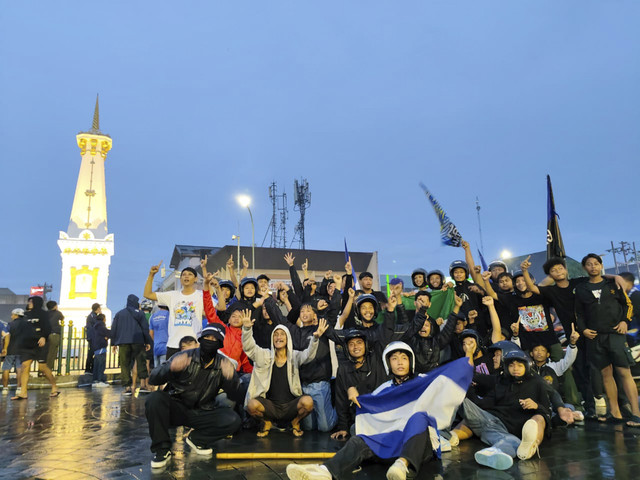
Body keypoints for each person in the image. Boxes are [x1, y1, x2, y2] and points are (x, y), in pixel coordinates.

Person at [286, 341, 456, 480]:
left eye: (404, 358)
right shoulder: (383, 389)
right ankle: (324, 472)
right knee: (358, 440)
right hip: (391, 443)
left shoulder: (423, 381)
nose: (399, 362)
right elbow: (370, 414)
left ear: (410, 361)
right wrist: (355, 397)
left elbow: (445, 393)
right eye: (394, 358)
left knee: (419, 417)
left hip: (419, 447)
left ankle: (402, 465)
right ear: (388, 364)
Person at [145, 324, 244, 468]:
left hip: (203, 411)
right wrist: (170, 368)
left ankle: (197, 439)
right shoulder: (183, 356)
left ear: (220, 343)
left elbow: (238, 397)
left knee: (233, 420)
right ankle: (162, 450)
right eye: (206, 337)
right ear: (200, 339)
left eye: (214, 339)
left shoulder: (223, 364)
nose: (209, 341)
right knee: (154, 399)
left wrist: (231, 380)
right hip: (177, 407)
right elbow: (153, 379)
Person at [574, 253, 640, 426]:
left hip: (615, 334)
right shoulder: (581, 289)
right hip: (595, 337)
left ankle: (636, 414)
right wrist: (584, 329)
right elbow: (579, 314)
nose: (593, 267)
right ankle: (615, 413)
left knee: (624, 372)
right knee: (606, 374)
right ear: (584, 268)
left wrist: (625, 321)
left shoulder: (613, 283)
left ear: (601, 265)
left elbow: (628, 305)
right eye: (589, 264)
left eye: (596, 263)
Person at [242, 309, 329, 438]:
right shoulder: (265, 355)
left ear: (287, 338)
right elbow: (249, 348)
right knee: (251, 405)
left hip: (290, 406)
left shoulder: (294, 356)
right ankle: (266, 423)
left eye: (282, 334)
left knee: (308, 402)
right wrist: (247, 330)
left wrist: (315, 339)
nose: (279, 337)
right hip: (270, 405)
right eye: (276, 335)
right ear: (272, 339)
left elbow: (308, 355)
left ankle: (295, 421)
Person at [462, 350, 551, 470]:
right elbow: (483, 404)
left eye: (519, 365)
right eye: (511, 365)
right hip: (490, 420)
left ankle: (494, 452)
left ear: (527, 366)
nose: (515, 368)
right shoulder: (501, 382)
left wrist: (536, 406)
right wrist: (468, 390)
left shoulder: (537, 383)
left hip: (507, 431)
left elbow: (547, 411)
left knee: (512, 441)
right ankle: (446, 437)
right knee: (458, 397)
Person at [332, 329, 389, 439]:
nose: (355, 347)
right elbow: (341, 401)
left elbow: (386, 333)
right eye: (351, 344)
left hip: (380, 417)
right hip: (359, 420)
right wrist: (343, 427)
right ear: (347, 348)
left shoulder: (376, 362)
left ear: (365, 345)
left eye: (359, 342)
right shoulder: (343, 370)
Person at [144, 262, 204, 359]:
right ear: (180, 279)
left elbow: (221, 307)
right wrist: (151, 275)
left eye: (190, 274)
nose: (186, 277)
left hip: (193, 345)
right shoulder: (172, 295)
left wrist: (216, 288)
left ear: (196, 278)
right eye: (183, 274)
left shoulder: (201, 295)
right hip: (173, 345)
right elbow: (148, 294)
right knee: (171, 374)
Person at [13, 296, 58, 400]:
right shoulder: (26, 315)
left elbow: (47, 327)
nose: (29, 303)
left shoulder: (43, 314)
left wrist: (44, 336)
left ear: (36, 303)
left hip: (40, 343)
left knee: (42, 367)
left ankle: (54, 386)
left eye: (31, 302)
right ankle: (23, 392)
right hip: (28, 344)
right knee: (25, 366)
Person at [111, 294, 152, 395]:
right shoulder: (140, 313)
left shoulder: (119, 314)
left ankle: (127, 387)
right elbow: (145, 328)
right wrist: (147, 341)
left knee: (125, 364)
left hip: (123, 342)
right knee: (141, 362)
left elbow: (114, 329)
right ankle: (143, 385)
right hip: (138, 341)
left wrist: (113, 343)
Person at [1, 308, 24, 396]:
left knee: (6, 368)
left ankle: (5, 388)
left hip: (11, 349)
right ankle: (19, 388)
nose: (11, 316)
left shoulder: (10, 324)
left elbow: (6, 336)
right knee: (19, 369)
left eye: (12, 315)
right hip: (21, 350)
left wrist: (5, 348)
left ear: (16, 315)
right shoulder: (26, 324)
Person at [92, 313, 111, 387]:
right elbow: (108, 333)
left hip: (96, 347)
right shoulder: (101, 326)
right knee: (101, 364)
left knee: (96, 364)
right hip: (101, 347)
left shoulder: (95, 326)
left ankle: (95, 380)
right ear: (103, 319)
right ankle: (99, 380)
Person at [45, 300, 63, 372]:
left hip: (45, 335)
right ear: (55, 306)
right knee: (52, 353)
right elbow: (62, 318)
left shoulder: (45, 314)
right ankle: (48, 370)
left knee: (45, 353)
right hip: (54, 334)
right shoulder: (58, 313)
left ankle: (41, 370)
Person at [85, 303, 101, 374]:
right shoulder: (92, 316)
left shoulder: (93, 316)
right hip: (93, 337)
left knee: (94, 353)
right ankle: (88, 369)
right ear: (97, 309)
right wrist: (100, 316)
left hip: (93, 337)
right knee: (92, 354)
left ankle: (91, 368)